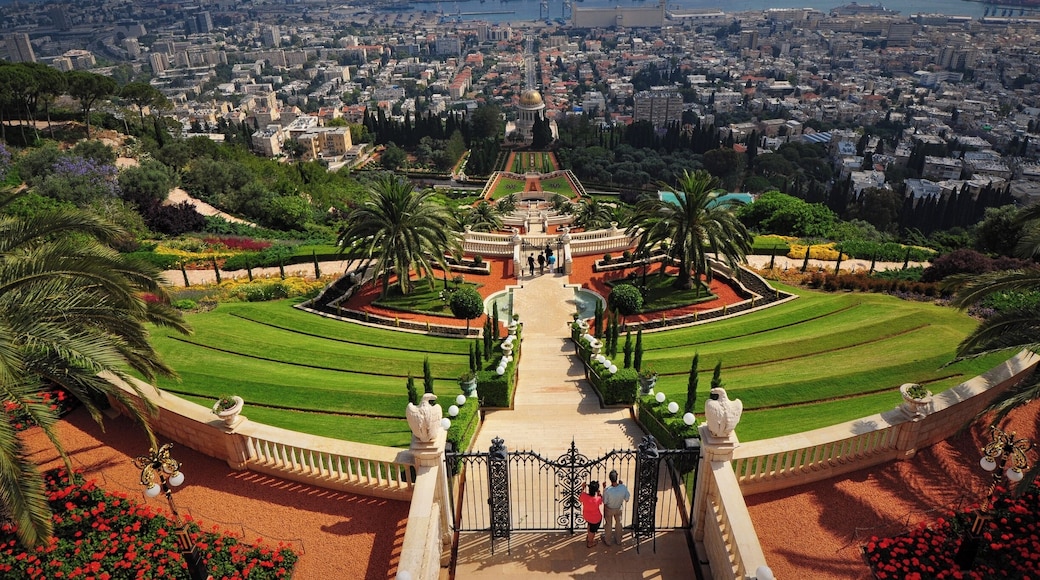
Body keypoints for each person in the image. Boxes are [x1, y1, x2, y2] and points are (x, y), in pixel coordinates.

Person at [601, 470, 630, 546]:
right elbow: (627, 499)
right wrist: (622, 486)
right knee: (619, 524)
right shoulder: (623, 487)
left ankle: (608, 541)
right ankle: (618, 540)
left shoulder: (607, 490)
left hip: (609, 509)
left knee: (609, 525)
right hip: (618, 508)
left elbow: (604, 501)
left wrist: (604, 489)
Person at [579, 481, 603, 548]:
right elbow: (601, 501)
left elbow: (580, 498)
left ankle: (589, 536)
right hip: (595, 518)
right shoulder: (597, 499)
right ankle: (590, 542)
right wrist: (599, 493)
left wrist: (583, 488)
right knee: (592, 530)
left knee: (590, 525)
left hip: (587, 516)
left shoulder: (584, 496)